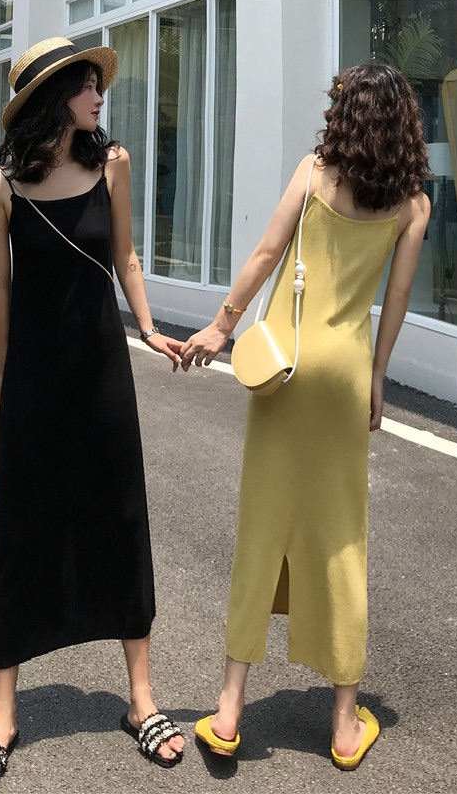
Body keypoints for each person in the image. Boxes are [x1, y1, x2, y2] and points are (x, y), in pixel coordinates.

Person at [177, 64, 431, 770]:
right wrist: (376, 376)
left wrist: (221, 326)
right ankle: (345, 725)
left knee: (264, 526)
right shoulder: (412, 206)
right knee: (341, 537)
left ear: (346, 117)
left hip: (287, 367)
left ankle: (229, 711)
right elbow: (397, 298)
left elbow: (267, 253)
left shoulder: (316, 173)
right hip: (345, 373)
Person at [0, 37, 185, 790]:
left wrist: (147, 328)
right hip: (34, 379)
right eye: (86, 86)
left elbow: (125, 258)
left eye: (96, 84)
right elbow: (1, 289)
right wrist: (5, 373)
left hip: (102, 375)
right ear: (52, 100)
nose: (98, 95)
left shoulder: (112, 165)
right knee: (22, 525)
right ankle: (3, 714)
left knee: (120, 516)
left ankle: (141, 699)